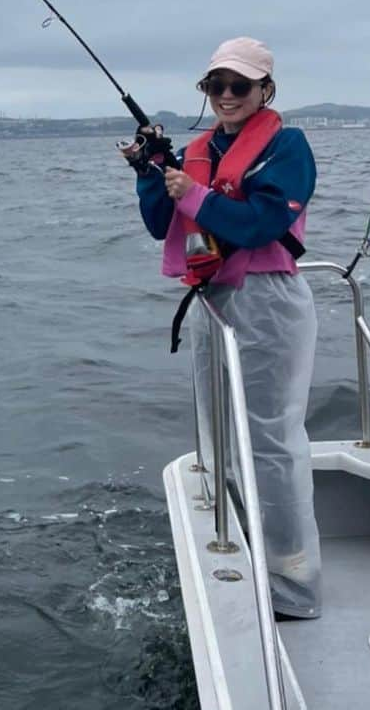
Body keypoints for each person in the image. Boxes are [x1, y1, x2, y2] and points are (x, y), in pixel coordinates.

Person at [123, 37, 321, 619]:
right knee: (219, 435)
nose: (227, 96)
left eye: (240, 85)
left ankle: (293, 586)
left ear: (266, 89)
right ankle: (240, 548)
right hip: (214, 300)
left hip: (267, 303)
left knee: (271, 443)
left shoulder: (288, 147)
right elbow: (161, 218)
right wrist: (150, 171)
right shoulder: (198, 150)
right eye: (216, 86)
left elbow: (260, 224)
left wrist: (197, 193)